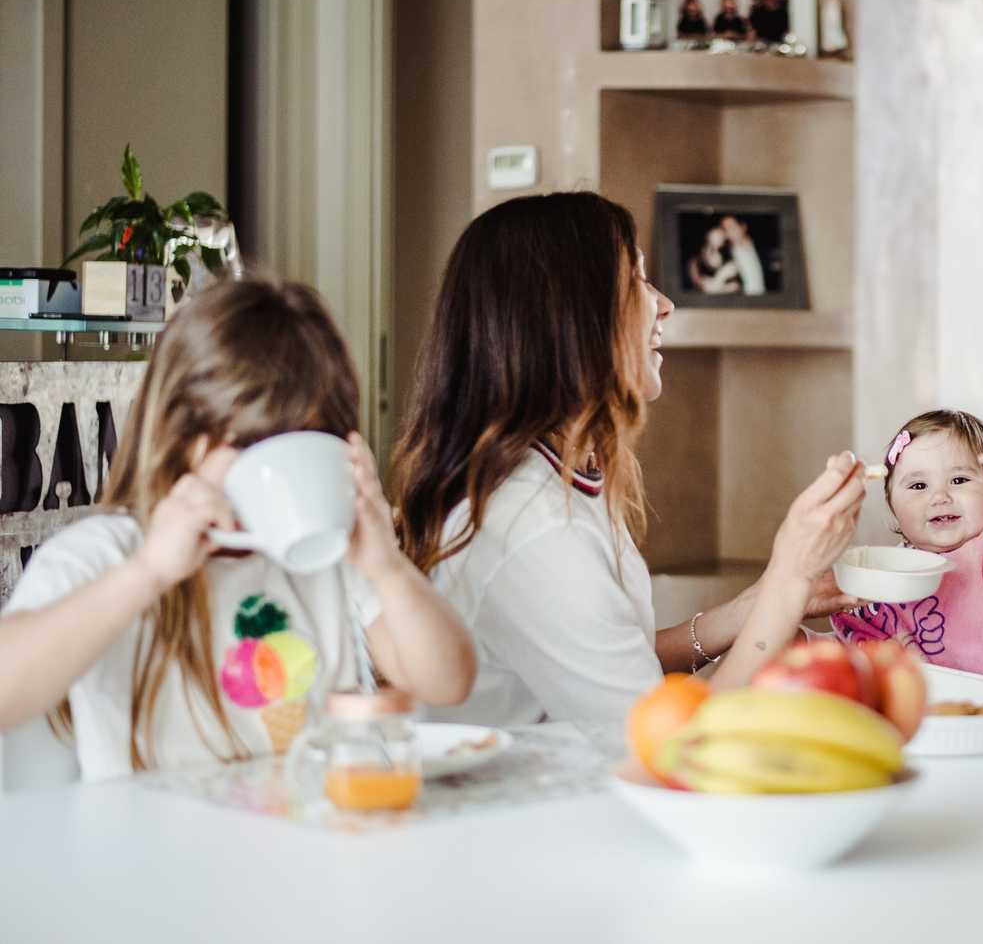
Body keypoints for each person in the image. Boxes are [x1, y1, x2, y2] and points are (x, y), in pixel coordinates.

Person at [390, 192, 864, 725]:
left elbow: (618, 664)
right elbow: (667, 744)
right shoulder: (532, 527)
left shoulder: (560, 475)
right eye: (637, 280)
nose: (664, 303)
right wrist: (790, 577)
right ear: (569, 319)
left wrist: (761, 604)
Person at [0, 280, 476, 781]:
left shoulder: (322, 554)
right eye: (254, 445)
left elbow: (449, 681)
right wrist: (147, 573)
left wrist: (387, 567)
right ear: (183, 435)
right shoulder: (114, 553)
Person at [831, 409, 983, 679]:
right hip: (908, 712)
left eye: (959, 480)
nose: (940, 497)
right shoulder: (889, 570)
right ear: (892, 505)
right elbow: (858, 638)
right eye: (918, 486)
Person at [719, 215, 766, 295]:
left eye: (732, 227)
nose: (729, 233)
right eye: (725, 229)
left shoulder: (762, 246)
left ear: (743, 227)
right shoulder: (725, 255)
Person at [686, 226, 740, 295]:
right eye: (708, 245)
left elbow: (735, 287)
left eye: (718, 248)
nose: (712, 252)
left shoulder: (731, 264)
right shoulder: (694, 263)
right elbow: (702, 286)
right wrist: (720, 280)